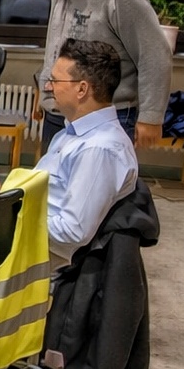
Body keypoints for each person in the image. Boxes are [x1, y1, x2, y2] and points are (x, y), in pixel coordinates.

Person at [29, 0, 172, 149]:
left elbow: (154, 56)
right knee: (53, 173)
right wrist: (43, 88)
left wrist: (151, 117)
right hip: (58, 115)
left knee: (99, 173)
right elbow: (58, 50)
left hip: (106, 120)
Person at [34, 38, 139, 265]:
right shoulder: (72, 133)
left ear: (82, 89)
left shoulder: (98, 150)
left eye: (55, 80)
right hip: (34, 237)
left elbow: (73, 231)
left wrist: (14, 220)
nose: (48, 87)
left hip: (44, 257)